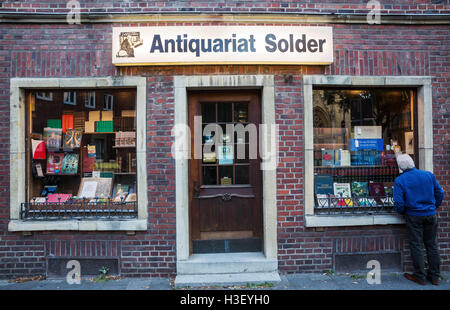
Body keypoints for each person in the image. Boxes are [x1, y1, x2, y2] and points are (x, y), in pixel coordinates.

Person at [393, 154, 444, 285]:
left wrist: (405, 212)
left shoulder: (400, 180)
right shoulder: (428, 175)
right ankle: (435, 276)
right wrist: (434, 206)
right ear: (413, 163)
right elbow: (440, 193)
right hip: (430, 214)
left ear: (400, 167)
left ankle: (420, 276)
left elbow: (398, 204)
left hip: (413, 216)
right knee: (432, 244)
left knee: (416, 245)